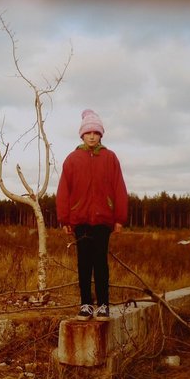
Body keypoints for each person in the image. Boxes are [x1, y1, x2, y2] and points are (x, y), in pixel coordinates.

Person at [56, 109, 128, 320]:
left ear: (100, 135)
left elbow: (119, 188)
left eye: (96, 133)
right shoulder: (72, 159)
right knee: (84, 263)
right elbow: (63, 191)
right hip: (80, 220)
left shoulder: (110, 158)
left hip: (103, 220)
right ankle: (86, 304)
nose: (92, 136)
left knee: (100, 262)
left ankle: (103, 304)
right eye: (88, 133)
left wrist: (119, 219)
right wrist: (64, 219)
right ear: (82, 135)